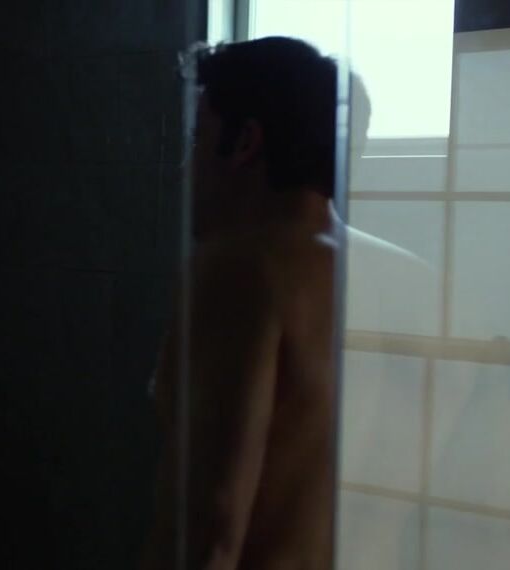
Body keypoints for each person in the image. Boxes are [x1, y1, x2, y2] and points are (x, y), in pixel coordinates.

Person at [144, 37, 345, 568]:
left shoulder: (241, 270)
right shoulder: (394, 275)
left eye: (197, 138)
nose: (186, 166)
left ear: (244, 143)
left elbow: (210, 525)